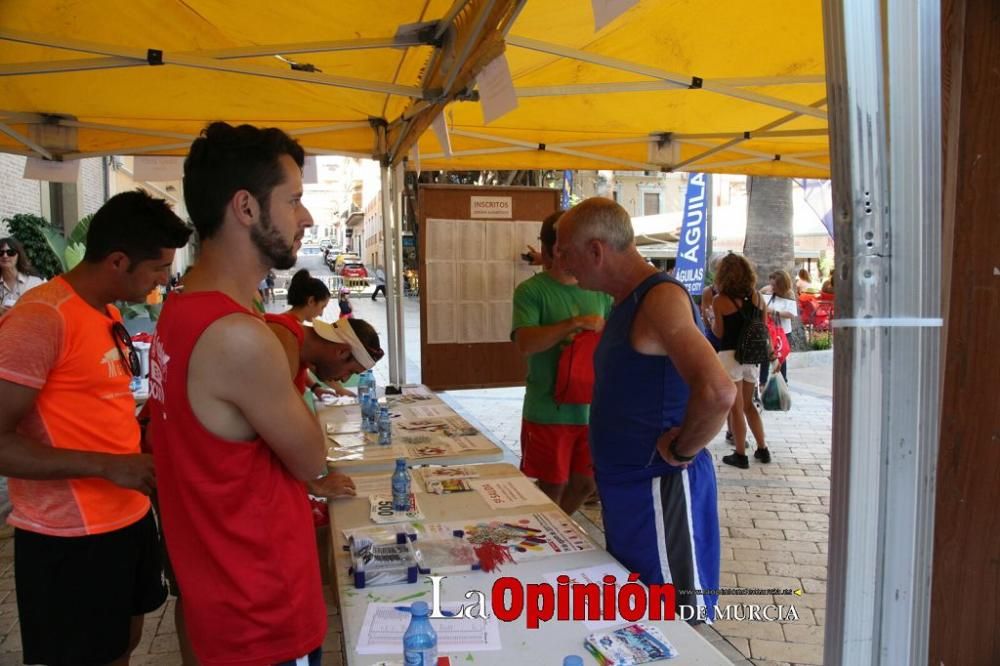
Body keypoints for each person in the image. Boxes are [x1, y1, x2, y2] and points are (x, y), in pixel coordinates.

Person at [147, 122, 331, 665]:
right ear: (246, 208)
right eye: (294, 200)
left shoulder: (179, 311)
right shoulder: (238, 336)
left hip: (222, 604)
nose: (307, 217)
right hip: (263, 616)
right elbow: (311, 458)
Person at [0, 190, 191, 666]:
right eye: (157, 269)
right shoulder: (41, 317)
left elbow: (98, 411)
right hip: (68, 536)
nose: (163, 280)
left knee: (122, 644)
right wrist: (107, 466)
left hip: (126, 518)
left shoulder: (105, 312)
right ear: (118, 261)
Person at [555, 198, 734, 621]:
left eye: (565, 251)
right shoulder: (627, 301)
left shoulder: (659, 300)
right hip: (632, 491)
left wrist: (683, 451)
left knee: (673, 618)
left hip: (659, 489)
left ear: (597, 251)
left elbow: (718, 391)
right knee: (642, 615)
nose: (560, 261)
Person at [511, 211, 612, 515]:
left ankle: (559, 526)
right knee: (552, 485)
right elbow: (526, 343)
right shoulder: (531, 291)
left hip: (591, 411)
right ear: (557, 249)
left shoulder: (599, 290)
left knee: (587, 482)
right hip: (547, 410)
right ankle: (554, 534)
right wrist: (573, 324)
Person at [711, 254, 771, 469]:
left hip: (730, 357)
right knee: (748, 405)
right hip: (752, 358)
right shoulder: (758, 297)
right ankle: (762, 449)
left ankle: (740, 454)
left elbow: (719, 333)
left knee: (735, 408)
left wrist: (711, 319)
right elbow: (763, 329)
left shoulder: (720, 301)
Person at [268, 269, 360, 402]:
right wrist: (339, 389)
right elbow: (289, 376)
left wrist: (315, 387)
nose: (322, 314)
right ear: (311, 301)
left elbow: (299, 366)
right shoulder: (289, 329)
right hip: (287, 403)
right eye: (322, 307)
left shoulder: (290, 325)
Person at [759, 270, 797, 388]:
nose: (772, 287)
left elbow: (791, 314)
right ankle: (763, 382)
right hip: (768, 331)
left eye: (775, 285)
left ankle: (782, 382)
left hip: (783, 332)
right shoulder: (766, 290)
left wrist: (774, 312)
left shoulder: (789, 294)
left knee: (781, 357)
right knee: (765, 357)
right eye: (771, 284)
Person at [0, 236, 44, 317]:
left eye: (10, 252)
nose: (5, 256)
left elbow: (45, 310)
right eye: (1, 253)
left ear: (18, 255)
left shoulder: (35, 283)